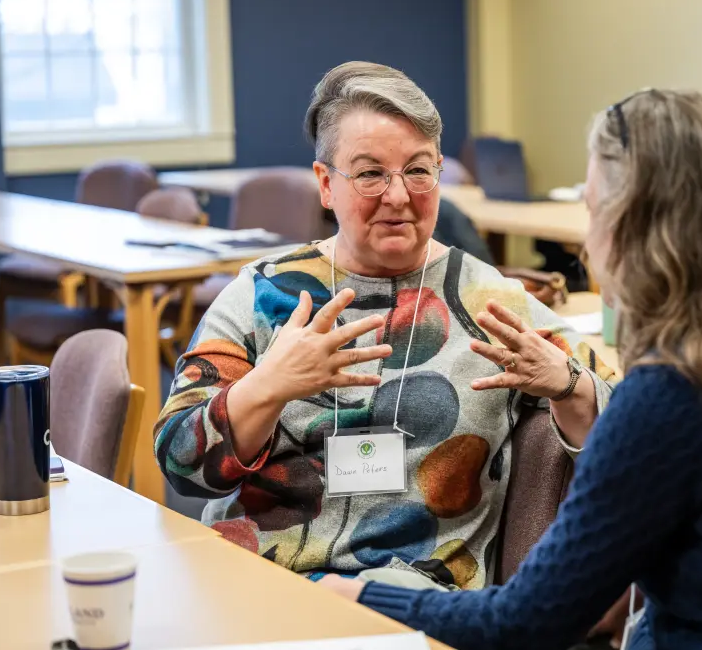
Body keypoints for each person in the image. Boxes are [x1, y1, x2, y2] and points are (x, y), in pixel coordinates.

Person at [322, 89, 702, 650]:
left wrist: (364, 598)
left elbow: (525, 622)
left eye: (594, 210)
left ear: (638, 231)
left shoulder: (677, 393)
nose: (588, 246)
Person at [153, 61, 615, 589]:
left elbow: (632, 434)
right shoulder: (264, 294)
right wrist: (268, 385)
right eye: (370, 173)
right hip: (264, 583)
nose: (398, 196)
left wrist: (570, 386)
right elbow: (179, 465)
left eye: (418, 170)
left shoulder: (492, 304)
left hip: (419, 598)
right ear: (326, 185)